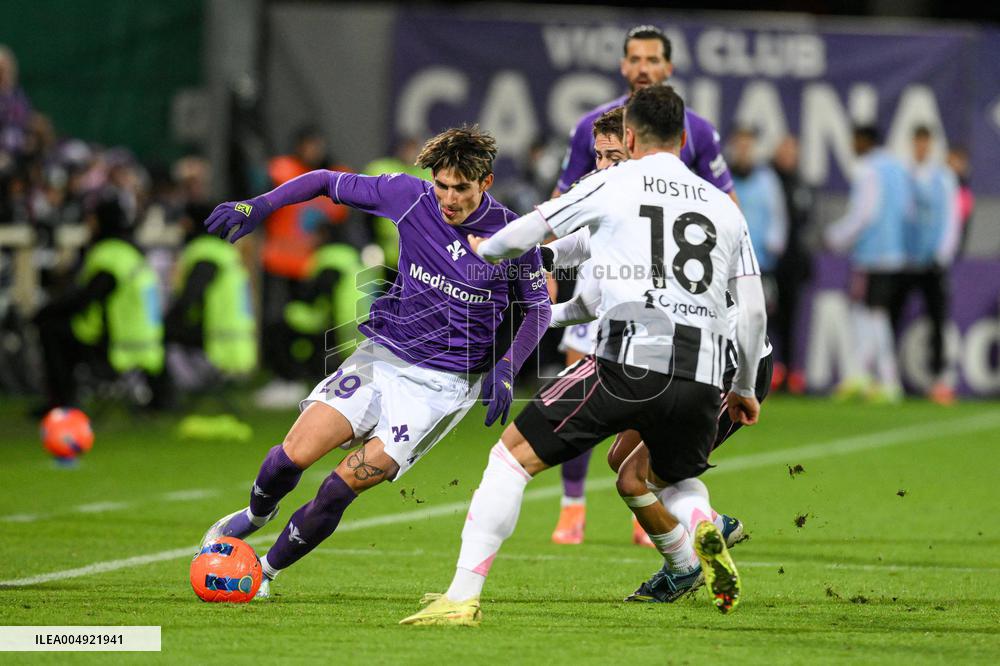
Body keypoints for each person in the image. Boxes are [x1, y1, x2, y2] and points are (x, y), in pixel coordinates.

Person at [401, 86, 767, 626]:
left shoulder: (612, 183)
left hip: (628, 361)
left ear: (633, 137)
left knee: (510, 457)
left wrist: (489, 248)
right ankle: (698, 534)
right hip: (703, 375)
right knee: (670, 478)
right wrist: (744, 389)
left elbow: (532, 230)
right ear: (685, 139)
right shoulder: (722, 206)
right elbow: (755, 313)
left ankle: (461, 596)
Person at [197, 126, 551, 598]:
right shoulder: (407, 196)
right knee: (290, 458)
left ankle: (263, 572)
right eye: (442, 185)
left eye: (461, 189)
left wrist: (508, 365)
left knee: (340, 488)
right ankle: (254, 516)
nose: (448, 198)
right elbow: (324, 180)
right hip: (381, 359)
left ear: (485, 182)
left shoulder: (513, 235)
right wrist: (260, 205)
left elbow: (539, 306)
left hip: (440, 390)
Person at [549, 24, 737, 545]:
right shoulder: (594, 125)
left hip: (662, 286)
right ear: (624, 66)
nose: (643, 68)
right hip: (601, 271)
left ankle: (645, 503)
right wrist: (549, 272)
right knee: (576, 383)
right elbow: (563, 200)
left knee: (652, 390)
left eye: (653, 59)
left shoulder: (695, 131)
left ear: (668, 68)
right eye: (635, 59)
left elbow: (726, 207)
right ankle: (572, 505)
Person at [34, 193, 165, 411]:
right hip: (149, 344)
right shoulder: (133, 254)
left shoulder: (108, 255)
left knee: (51, 329)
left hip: (117, 345)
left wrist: (45, 312)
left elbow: (86, 298)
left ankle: (61, 401)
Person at [255, 126, 351, 407]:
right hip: (280, 262)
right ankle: (283, 376)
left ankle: (304, 378)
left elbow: (342, 220)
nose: (314, 149)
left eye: (316, 144)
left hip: (314, 266)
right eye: (309, 144)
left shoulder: (334, 177)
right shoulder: (282, 170)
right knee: (277, 323)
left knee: (317, 328)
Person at [825, 125, 912, 403]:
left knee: (873, 314)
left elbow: (865, 213)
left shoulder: (866, 169)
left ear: (864, 141)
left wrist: (835, 237)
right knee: (868, 312)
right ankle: (861, 373)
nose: (852, 146)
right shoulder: (897, 168)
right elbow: (908, 210)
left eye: (854, 141)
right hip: (895, 252)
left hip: (872, 255)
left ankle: (888, 379)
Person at [896, 125, 960, 404]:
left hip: (932, 262)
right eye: (917, 143)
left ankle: (939, 378)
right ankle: (889, 377)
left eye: (925, 144)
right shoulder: (904, 176)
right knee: (891, 316)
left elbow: (952, 218)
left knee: (937, 319)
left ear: (931, 146)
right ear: (913, 145)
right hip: (907, 261)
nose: (921, 148)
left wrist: (942, 254)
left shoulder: (944, 178)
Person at [771, 135, 815, 394]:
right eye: (784, 151)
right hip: (770, 262)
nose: (788, 156)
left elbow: (805, 225)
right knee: (765, 320)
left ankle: (787, 371)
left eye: (792, 151)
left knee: (790, 321)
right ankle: (762, 371)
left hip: (793, 264)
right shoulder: (768, 180)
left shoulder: (800, 183)